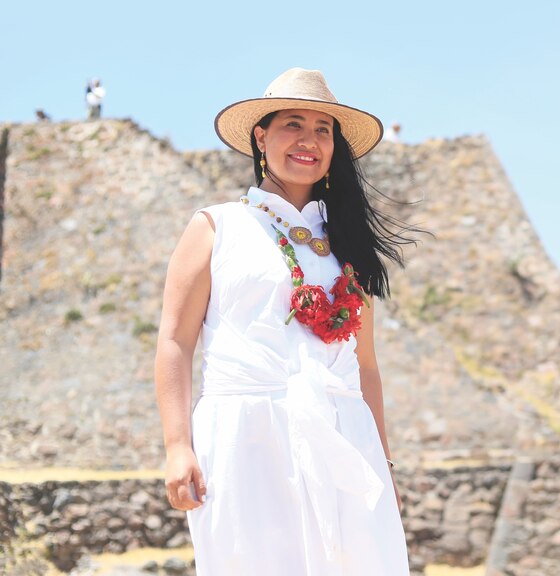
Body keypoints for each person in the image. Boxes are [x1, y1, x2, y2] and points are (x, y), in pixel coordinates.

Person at [154, 68, 420, 575]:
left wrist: (382, 466)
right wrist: (177, 446)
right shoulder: (217, 226)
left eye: (323, 130)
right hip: (246, 437)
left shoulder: (347, 242)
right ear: (261, 136)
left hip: (344, 435)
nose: (309, 141)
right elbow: (174, 341)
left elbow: (365, 366)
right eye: (292, 124)